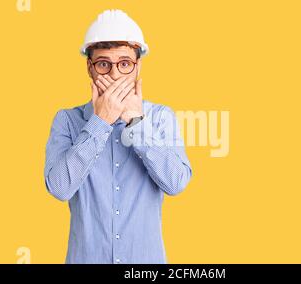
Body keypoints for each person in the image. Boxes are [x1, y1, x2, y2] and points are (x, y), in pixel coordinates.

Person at [44, 9, 193, 264]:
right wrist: (99, 122)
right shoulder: (67, 120)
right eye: (104, 64)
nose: (114, 75)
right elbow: (59, 188)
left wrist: (136, 123)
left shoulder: (159, 117)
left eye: (124, 64)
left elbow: (176, 183)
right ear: (90, 68)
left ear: (137, 67)